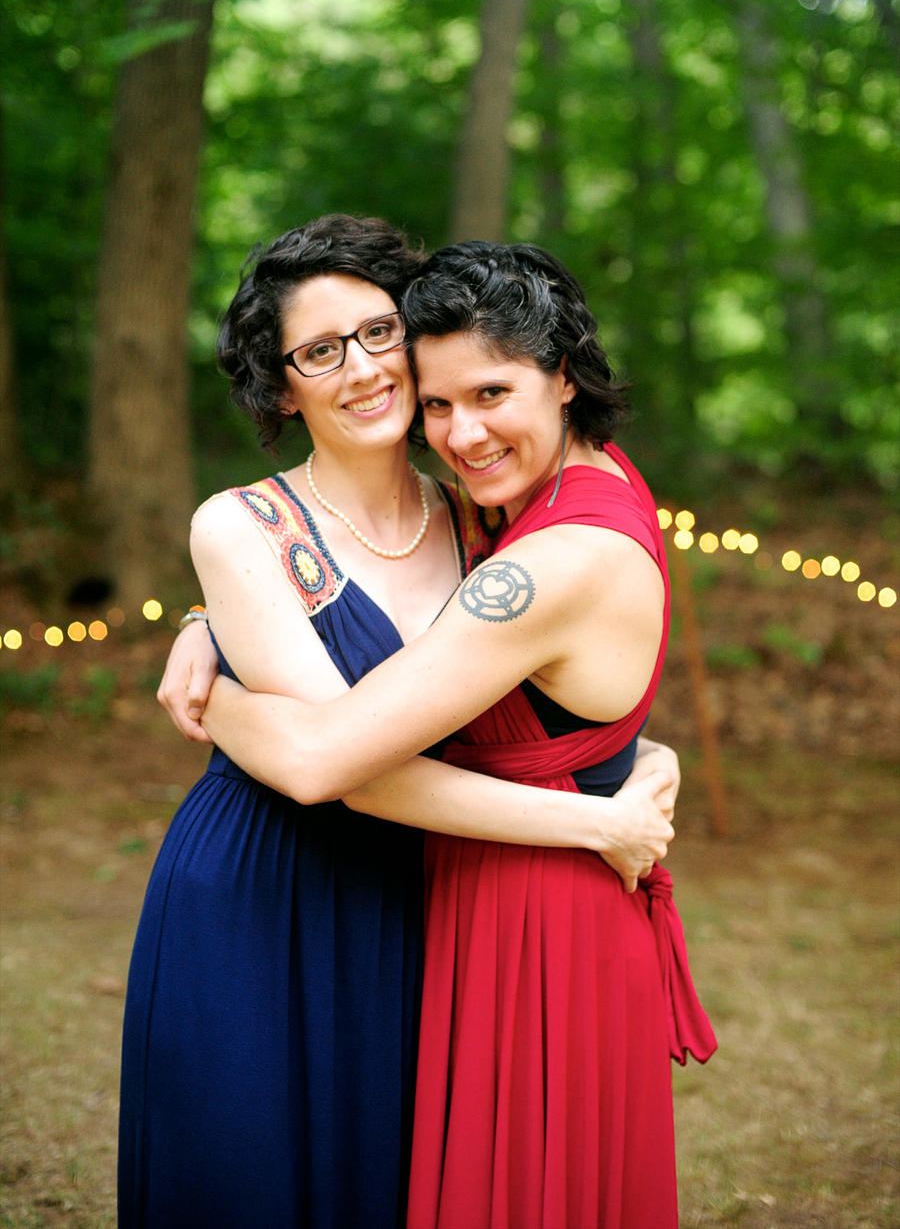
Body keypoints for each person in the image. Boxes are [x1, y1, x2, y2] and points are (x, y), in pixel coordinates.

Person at [123, 215, 681, 1229]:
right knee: (260, 1175)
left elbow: (535, 705)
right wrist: (218, 644)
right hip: (270, 892)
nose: (365, 367)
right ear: (281, 384)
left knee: (389, 1181)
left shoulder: (479, 512)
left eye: (380, 332)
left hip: (424, 894)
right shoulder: (241, 526)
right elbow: (321, 765)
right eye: (320, 351)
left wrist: (642, 756)